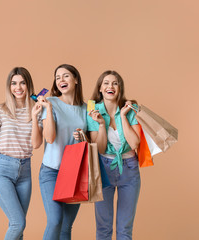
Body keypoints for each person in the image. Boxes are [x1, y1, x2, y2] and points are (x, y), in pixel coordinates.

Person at [0, 67, 43, 240]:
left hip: (25, 171)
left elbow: (36, 144)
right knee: (18, 223)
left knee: (17, 227)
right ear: (9, 86)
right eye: (14, 83)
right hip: (3, 169)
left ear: (28, 85)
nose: (18, 87)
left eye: (22, 83)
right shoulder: (2, 110)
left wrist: (35, 116)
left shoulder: (36, 110)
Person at [87, 70, 141, 240]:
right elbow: (100, 149)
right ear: (100, 88)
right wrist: (101, 124)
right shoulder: (93, 111)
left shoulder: (131, 109)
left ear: (120, 88)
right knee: (103, 228)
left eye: (115, 83)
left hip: (129, 169)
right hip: (104, 169)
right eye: (106, 83)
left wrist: (123, 116)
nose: (110, 86)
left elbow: (134, 144)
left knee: (125, 228)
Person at [35, 64, 87, 240]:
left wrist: (83, 136)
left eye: (65, 76)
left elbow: (91, 142)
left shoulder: (85, 108)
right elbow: (49, 138)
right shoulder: (51, 103)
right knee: (55, 221)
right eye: (57, 78)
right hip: (52, 171)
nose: (61, 80)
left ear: (76, 79)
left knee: (66, 227)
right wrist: (48, 109)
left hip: (75, 173)